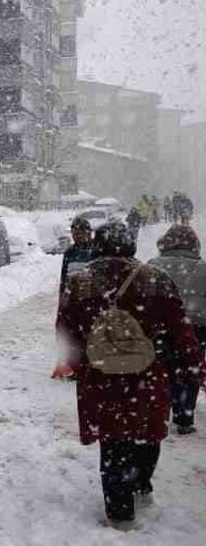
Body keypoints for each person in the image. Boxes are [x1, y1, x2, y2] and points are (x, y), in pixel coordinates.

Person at [57, 221, 202, 526]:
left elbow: (66, 330)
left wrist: (75, 364)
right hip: (147, 374)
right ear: (131, 245)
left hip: (101, 377)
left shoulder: (81, 282)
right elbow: (180, 328)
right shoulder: (156, 279)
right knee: (147, 434)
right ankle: (141, 484)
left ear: (98, 245)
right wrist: (194, 365)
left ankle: (120, 510)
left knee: (113, 442)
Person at [149, 225, 206, 434]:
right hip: (197, 327)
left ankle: (164, 409)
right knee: (191, 369)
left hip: (162, 326)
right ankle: (184, 416)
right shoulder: (203, 268)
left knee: (164, 368)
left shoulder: (154, 266)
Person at [59, 217, 97, 300]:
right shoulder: (70, 252)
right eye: (75, 233)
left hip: (93, 298)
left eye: (82, 232)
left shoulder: (97, 249)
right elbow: (64, 278)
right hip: (74, 297)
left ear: (89, 232)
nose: (78, 236)